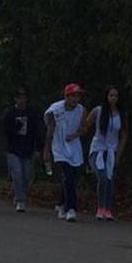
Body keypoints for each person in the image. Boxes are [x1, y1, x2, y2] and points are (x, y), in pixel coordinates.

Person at [43, 83, 87, 222]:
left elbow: (83, 128)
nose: (75, 99)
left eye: (78, 96)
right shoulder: (55, 110)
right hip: (59, 146)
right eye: (73, 96)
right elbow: (50, 130)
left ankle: (61, 203)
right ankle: (71, 208)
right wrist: (47, 150)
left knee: (72, 178)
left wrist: (75, 135)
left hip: (74, 146)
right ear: (66, 96)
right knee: (67, 175)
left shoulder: (81, 110)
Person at [85, 86, 129, 221]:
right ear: (106, 96)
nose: (113, 98)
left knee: (110, 180)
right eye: (111, 95)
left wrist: (118, 155)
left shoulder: (121, 114)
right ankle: (100, 207)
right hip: (98, 150)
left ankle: (108, 209)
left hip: (111, 151)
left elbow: (123, 135)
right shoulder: (98, 111)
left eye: (116, 96)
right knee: (102, 177)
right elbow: (86, 125)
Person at [2, 86, 43, 212]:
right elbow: (5, 130)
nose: (21, 100)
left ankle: (19, 193)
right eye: (19, 97)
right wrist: (16, 127)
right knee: (17, 174)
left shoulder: (32, 113)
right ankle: (21, 200)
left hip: (28, 149)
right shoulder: (9, 113)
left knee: (26, 175)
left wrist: (38, 148)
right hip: (13, 149)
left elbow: (38, 131)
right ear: (15, 99)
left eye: (24, 97)